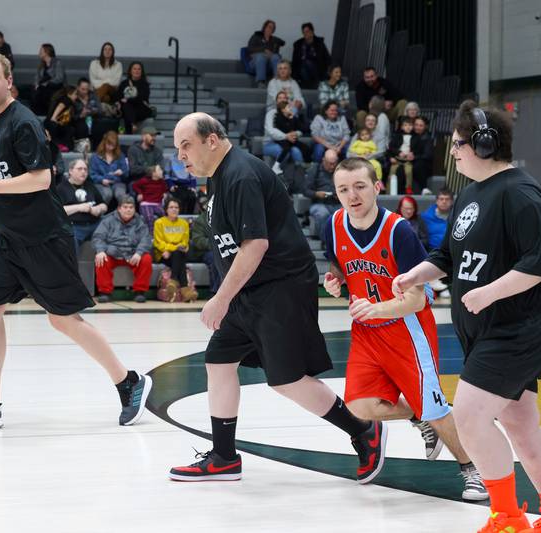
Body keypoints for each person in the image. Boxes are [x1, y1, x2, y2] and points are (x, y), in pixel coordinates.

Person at [393, 102, 541, 532]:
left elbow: (540, 262)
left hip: (520, 327)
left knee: (470, 415)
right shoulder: (470, 193)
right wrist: (415, 274)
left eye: (459, 144)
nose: (455, 154)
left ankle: (507, 516)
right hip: (488, 329)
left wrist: (488, 293)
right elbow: (449, 255)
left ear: (484, 144)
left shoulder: (520, 193)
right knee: (519, 421)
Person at [168, 113, 382, 483]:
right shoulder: (218, 180)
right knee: (218, 360)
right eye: (178, 149)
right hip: (251, 289)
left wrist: (220, 298)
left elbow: (255, 245)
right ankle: (223, 457)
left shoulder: (241, 174)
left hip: (278, 288)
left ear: (212, 140)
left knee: (287, 380)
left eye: (186, 145)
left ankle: (363, 430)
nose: (181, 156)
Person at [0, 50, 152, 429]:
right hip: (10, 239)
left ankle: (130, 382)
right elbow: (11, 181)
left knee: (63, 321)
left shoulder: (22, 122)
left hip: (42, 238)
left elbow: (40, 178)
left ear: (9, 82)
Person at [322, 157, 486, 498]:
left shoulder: (399, 231)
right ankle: (419, 415)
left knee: (436, 408)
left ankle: (473, 469)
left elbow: (418, 300)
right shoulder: (333, 225)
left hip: (407, 330)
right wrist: (335, 282)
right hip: (367, 332)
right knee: (358, 407)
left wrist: (377, 308)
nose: (352, 195)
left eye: (360, 186)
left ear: (377, 187)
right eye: (343, 189)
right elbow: (341, 268)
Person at [92, 196, 153, 303]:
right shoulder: (108, 220)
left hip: (132, 254)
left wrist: (139, 253)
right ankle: (105, 292)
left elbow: (146, 239)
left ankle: (140, 292)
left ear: (134, 209)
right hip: (113, 253)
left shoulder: (140, 221)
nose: (128, 210)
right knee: (101, 258)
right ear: (119, 209)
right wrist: (100, 250)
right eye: (125, 207)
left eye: (131, 207)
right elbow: (98, 237)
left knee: (146, 258)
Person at [153, 197, 197, 302]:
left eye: (176, 207)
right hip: (163, 254)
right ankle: (185, 290)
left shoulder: (184, 223)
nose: (174, 209)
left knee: (178, 254)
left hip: (177, 253)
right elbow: (158, 242)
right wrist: (171, 249)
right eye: (171, 207)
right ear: (166, 209)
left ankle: (173, 281)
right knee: (179, 255)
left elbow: (184, 242)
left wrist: (173, 249)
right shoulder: (159, 222)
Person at [56, 158, 107, 248]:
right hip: (74, 226)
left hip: (95, 224)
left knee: (112, 221)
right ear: (71, 171)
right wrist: (79, 207)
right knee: (68, 236)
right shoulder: (61, 188)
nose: (83, 172)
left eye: (85, 169)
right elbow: (57, 210)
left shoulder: (89, 185)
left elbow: (104, 205)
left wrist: (98, 209)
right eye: (80, 169)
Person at [263, 91, 306, 171]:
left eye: (285, 98)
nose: (282, 100)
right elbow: (271, 131)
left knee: (297, 151)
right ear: (276, 101)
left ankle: (300, 175)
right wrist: (286, 136)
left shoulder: (290, 113)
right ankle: (276, 174)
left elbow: (300, 129)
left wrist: (296, 133)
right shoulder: (271, 114)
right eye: (280, 98)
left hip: (288, 143)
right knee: (283, 151)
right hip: (270, 143)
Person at [304, 148, 340, 240]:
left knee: (348, 213)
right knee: (323, 214)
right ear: (323, 160)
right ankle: (327, 242)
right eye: (330, 164)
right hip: (319, 203)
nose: (332, 166)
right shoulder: (315, 170)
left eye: (334, 163)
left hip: (337, 203)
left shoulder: (341, 171)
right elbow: (305, 190)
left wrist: (341, 194)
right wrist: (316, 194)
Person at [89, 130, 129, 205]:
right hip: (101, 183)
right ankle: (100, 214)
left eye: (113, 145)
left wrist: (122, 172)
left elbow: (126, 173)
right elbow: (92, 174)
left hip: (117, 182)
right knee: (107, 194)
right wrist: (102, 180)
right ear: (104, 143)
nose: (111, 148)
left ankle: (123, 214)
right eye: (109, 144)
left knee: (120, 194)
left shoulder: (120, 155)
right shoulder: (95, 156)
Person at [188, 209, 220, 294]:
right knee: (215, 258)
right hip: (205, 251)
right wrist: (217, 245)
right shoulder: (201, 220)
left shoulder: (225, 217)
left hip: (223, 249)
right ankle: (215, 292)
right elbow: (198, 241)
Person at [247, 19, 284, 88]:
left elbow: (281, 45)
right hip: (255, 62)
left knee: (276, 57)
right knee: (261, 56)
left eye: (272, 28)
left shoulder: (273, 40)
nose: (270, 29)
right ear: (264, 27)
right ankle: (261, 82)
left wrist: (272, 54)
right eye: (269, 27)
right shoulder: (256, 36)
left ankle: (278, 82)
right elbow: (249, 49)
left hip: (268, 63)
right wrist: (264, 50)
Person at [291, 22, 330, 87]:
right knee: (303, 66)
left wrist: (329, 69)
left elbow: (327, 57)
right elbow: (295, 61)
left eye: (307, 31)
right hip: (302, 70)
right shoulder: (298, 44)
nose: (305, 34)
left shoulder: (319, 43)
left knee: (307, 62)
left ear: (312, 31)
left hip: (317, 69)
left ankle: (313, 84)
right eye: (303, 32)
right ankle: (311, 85)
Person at [117, 61, 151, 134]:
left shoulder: (144, 84)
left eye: (139, 69)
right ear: (130, 71)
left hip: (141, 109)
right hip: (127, 109)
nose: (137, 71)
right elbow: (119, 97)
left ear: (142, 71)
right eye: (134, 69)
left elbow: (142, 98)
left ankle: (131, 126)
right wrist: (124, 101)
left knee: (127, 107)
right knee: (126, 107)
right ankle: (132, 125)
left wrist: (128, 100)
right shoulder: (124, 83)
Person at [132, 164, 168, 232]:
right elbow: (134, 185)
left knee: (164, 215)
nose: (162, 171)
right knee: (149, 217)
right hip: (146, 203)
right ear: (153, 173)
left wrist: (164, 193)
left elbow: (165, 189)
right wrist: (140, 193)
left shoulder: (162, 182)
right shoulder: (144, 180)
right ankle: (150, 234)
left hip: (157, 204)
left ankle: (164, 233)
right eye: (159, 170)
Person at [32, 43, 65, 115]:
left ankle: (43, 114)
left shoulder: (57, 62)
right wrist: (36, 84)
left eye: (41, 50)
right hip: (42, 87)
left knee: (41, 93)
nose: (39, 52)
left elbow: (59, 78)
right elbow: (37, 76)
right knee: (26, 90)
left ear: (47, 52)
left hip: (54, 86)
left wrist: (45, 84)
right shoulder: (41, 64)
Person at [388, 116, 415, 193]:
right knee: (392, 171)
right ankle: (389, 189)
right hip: (397, 159)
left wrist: (413, 154)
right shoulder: (397, 136)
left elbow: (417, 148)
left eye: (410, 125)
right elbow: (391, 147)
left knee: (409, 171)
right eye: (405, 125)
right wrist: (398, 152)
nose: (408, 127)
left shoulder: (415, 137)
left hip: (407, 160)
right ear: (402, 127)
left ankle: (408, 188)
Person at [73, 77, 101, 147]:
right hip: (80, 121)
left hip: (93, 119)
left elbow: (100, 109)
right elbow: (72, 116)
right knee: (81, 127)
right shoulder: (74, 98)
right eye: (83, 89)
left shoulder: (93, 96)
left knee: (99, 128)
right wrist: (81, 115)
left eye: (87, 89)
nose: (85, 91)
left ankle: (96, 149)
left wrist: (92, 111)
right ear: (78, 88)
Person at [411, 116, 434, 193]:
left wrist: (414, 157)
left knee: (419, 165)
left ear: (425, 127)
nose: (417, 127)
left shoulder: (428, 138)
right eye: (416, 125)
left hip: (424, 164)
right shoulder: (410, 135)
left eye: (421, 125)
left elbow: (427, 155)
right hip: (410, 161)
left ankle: (424, 188)